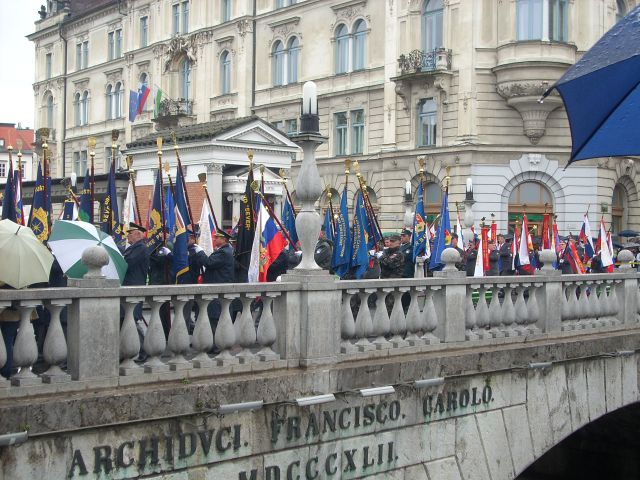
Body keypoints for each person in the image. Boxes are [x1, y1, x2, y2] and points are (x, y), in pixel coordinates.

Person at [204, 230, 235, 332]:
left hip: (218, 288)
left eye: (217, 237)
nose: (215, 239)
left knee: (216, 318)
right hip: (220, 287)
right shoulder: (225, 250)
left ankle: (216, 345)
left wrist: (200, 252)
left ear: (223, 239)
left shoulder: (223, 252)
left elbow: (209, 263)